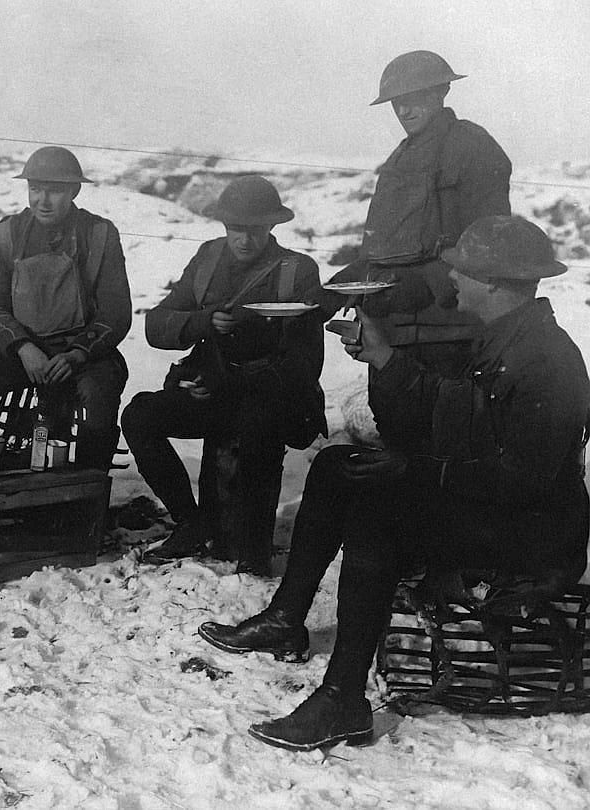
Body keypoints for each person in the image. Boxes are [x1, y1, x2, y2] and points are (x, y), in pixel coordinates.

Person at [200, 216, 589, 751]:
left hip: (532, 535)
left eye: (464, 271)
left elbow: (521, 481)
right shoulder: (507, 336)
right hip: (498, 504)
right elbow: (453, 410)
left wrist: (415, 470)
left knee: (379, 516)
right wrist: (384, 357)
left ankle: (343, 700)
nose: (452, 279)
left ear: (498, 283)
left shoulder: (545, 359)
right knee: (338, 469)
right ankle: (286, 619)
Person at [121, 175, 326, 573]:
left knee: (257, 423)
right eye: (236, 230)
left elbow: (303, 365)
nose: (244, 241)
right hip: (214, 396)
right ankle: (191, 521)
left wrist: (227, 382)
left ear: (272, 227)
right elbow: (157, 325)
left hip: (272, 403)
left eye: (254, 230)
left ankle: (251, 551)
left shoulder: (296, 271)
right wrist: (202, 323)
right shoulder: (208, 260)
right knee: (140, 414)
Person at [315, 49, 512, 452]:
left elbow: (491, 243)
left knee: (449, 448)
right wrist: (344, 284)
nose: (404, 108)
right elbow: (383, 249)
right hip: (392, 337)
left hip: (451, 338)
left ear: (441, 91)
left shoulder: (475, 148)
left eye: (415, 96)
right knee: (399, 446)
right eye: (396, 102)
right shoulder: (396, 163)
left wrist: (425, 282)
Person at [0, 146, 131, 471]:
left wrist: (78, 353)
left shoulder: (99, 235)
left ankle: (87, 488)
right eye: (35, 189)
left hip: (79, 351)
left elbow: (116, 312)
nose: (42, 200)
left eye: (55, 190)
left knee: (98, 393)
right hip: (20, 350)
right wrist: (22, 347)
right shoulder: (7, 234)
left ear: (74, 191)